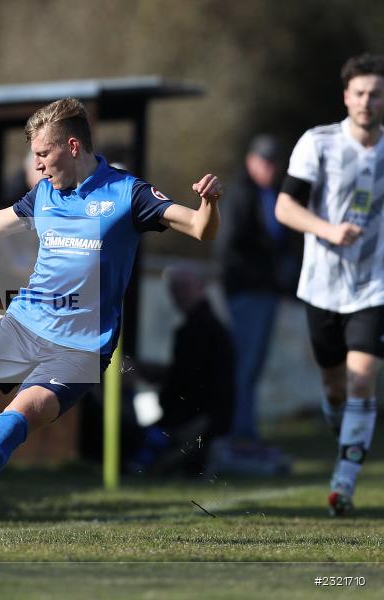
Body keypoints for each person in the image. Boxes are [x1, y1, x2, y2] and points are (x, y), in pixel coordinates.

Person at [0, 98, 223, 544]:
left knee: (12, 422)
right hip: (22, 325)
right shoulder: (45, 194)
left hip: (78, 349)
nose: (37, 166)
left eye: (42, 155)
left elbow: (199, 228)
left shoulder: (128, 194)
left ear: (72, 146)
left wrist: (209, 203)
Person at [275, 53, 384, 516]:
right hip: (322, 286)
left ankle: (343, 483)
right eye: (359, 92)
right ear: (346, 96)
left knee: (361, 380)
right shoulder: (318, 144)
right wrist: (327, 230)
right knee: (336, 388)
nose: (367, 101)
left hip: (375, 286)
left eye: (375, 93)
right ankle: (342, 428)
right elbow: (284, 207)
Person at [216, 134, 299, 446]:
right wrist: (264, 275)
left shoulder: (271, 193)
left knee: (254, 364)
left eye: (274, 163)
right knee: (245, 363)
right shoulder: (241, 194)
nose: (270, 168)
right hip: (248, 291)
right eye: (265, 162)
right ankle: (239, 431)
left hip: (265, 292)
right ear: (251, 161)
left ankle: (245, 428)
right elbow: (228, 248)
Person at [132, 264, 235, 475]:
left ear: (201, 288)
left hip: (198, 421)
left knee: (146, 463)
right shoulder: (204, 326)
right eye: (175, 288)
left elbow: (185, 381)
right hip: (206, 418)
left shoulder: (198, 330)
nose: (179, 294)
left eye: (185, 287)